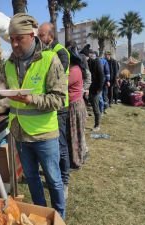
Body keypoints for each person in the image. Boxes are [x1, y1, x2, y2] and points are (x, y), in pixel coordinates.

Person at [0, 13, 67, 218]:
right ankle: (40, 215)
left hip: (44, 134)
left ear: (31, 35)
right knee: (31, 178)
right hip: (20, 132)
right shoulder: (9, 63)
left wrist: (31, 100)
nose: (14, 44)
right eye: (11, 39)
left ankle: (59, 218)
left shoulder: (49, 59)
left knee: (54, 180)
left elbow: (59, 99)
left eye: (19, 38)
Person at [38, 22, 70, 199]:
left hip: (59, 106)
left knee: (61, 145)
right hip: (47, 105)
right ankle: (54, 175)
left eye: (42, 35)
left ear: (50, 36)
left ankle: (64, 181)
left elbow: (55, 77)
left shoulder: (60, 52)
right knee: (53, 147)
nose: (39, 39)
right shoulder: (44, 52)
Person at [65, 41, 87, 169]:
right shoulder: (73, 69)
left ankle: (76, 161)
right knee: (74, 135)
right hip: (74, 105)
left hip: (74, 106)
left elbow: (62, 84)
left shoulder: (74, 70)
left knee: (75, 135)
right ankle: (76, 159)